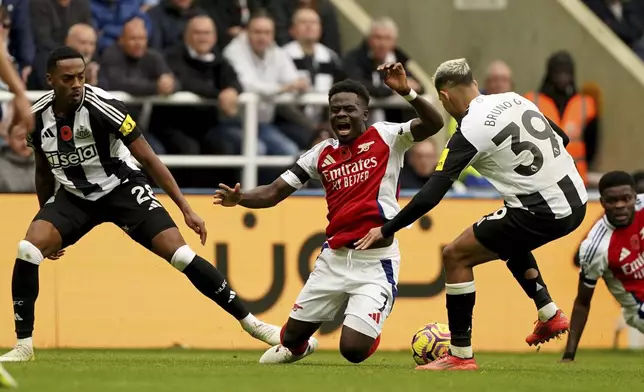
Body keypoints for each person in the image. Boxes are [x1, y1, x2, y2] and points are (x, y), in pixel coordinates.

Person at [0, 46, 280, 363]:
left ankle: (253, 325)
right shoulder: (36, 118)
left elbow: (148, 158)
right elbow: (42, 170)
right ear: (51, 80)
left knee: (181, 255)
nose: (77, 83)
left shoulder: (104, 107)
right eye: (68, 78)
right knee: (28, 248)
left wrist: (185, 208)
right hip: (74, 196)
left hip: (122, 188)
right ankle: (24, 346)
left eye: (80, 76)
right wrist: (46, 218)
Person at [356, 58, 588, 371]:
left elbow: (431, 194)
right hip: (578, 199)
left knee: (456, 255)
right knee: (504, 231)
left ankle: (460, 355)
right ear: (475, 84)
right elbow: (562, 137)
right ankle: (548, 312)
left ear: (445, 97)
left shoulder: (469, 131)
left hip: (544, 210)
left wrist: (388, 228)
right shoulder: (514, 98)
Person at [214, 63, 445, 364]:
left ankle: (369, 324)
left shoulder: (387, 136)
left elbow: (434, 123)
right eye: (334, 110)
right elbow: (273, 192)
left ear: (364, 114)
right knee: (290, 339)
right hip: (334, 260)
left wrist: (408, 93)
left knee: (352, 350)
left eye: (349, 109)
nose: (340, 115)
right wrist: (241, 197)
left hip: (376, 263)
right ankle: (301, 346)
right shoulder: (320, 153)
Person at [562, 171, 644, 362]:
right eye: (612, 201)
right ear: (602, 202)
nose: (620, 205)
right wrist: (569, 355)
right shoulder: (596, 247)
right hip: (638, 307)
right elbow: (582, 302)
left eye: (626, 199)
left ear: (635, 196)